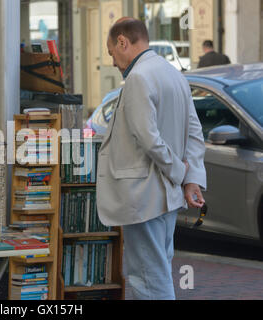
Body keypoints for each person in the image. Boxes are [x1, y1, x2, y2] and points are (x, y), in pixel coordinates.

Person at [96, 17, 207, 300]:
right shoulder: (174, 74)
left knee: (147, 277)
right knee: (152, 272)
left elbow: (148, 139)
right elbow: (195, 132)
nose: (113, 61)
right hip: (166, 196)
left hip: (143, 196)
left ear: (123, 41)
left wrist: (182, 174)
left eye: (111, 52)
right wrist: (191, 177)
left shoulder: (138, 77)